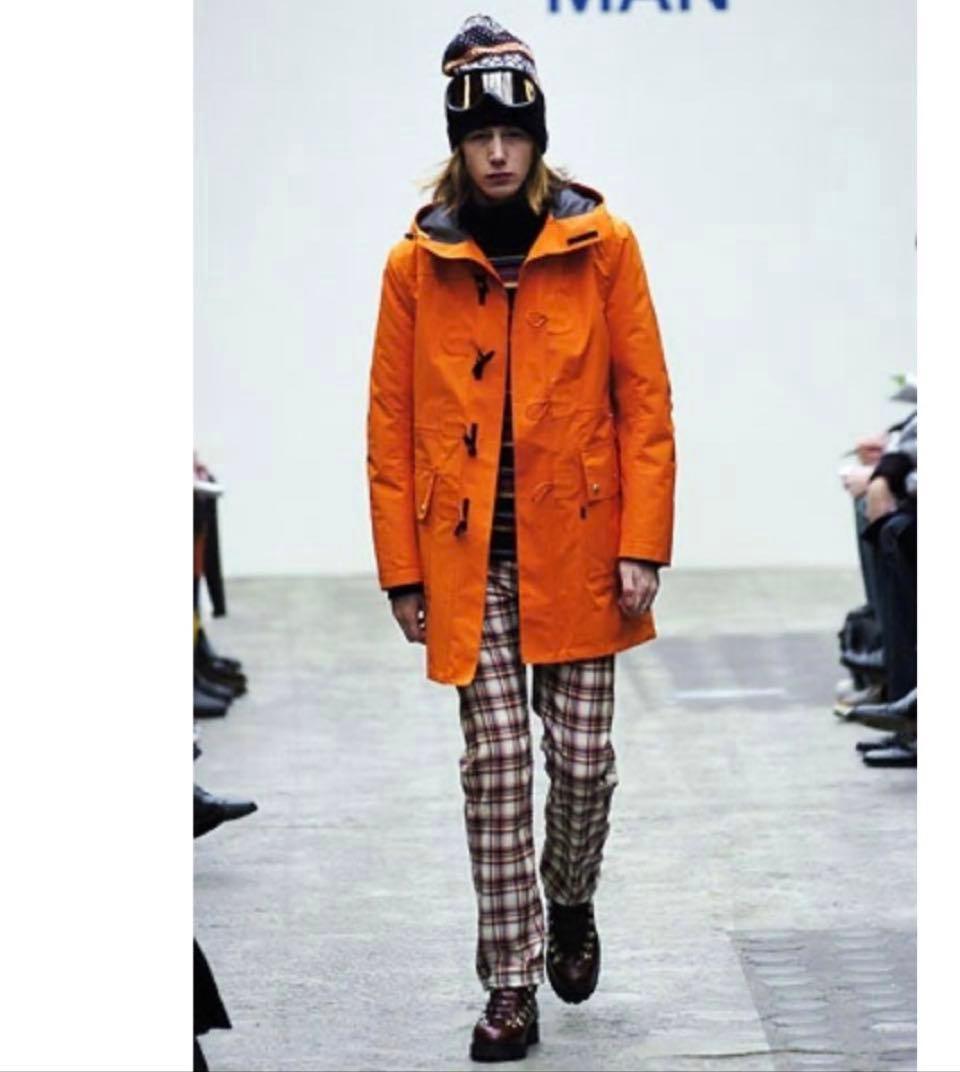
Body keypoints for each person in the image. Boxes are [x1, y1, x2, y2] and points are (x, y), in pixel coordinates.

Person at [366, 14, 676, 1063]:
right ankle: (510, 980)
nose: (498, 153)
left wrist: (644, 543)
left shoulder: (602, 245)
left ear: (539, 139)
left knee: (581, 763)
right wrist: (401, 571)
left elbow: (646, 403)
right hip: (468, 559)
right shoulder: (416, 264)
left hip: (583, 548)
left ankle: (570, 896)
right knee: (496, 765)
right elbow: (390, 424)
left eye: (514, 134)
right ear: (456, 145)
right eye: (479, 136)